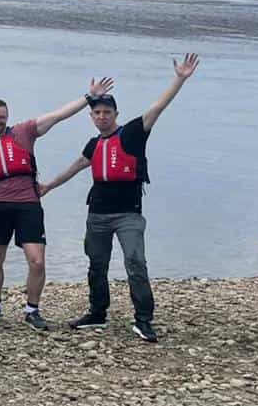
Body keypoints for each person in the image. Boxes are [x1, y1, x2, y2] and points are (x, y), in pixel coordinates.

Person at [39, 54, 201, 343]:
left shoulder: (134, 133)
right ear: (92, 117)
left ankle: (143, 320)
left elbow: (158, 107)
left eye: (106, 113)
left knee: (135, 262)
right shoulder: (94, 144)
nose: (102, 117)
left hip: (128, 215)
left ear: (115, 114)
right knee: (96, 264)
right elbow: (76, 166)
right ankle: (97, 312)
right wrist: (48, 186)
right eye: (97, 113)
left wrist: (180, 78)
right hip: (97, 214)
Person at [0, 77, 114, 331]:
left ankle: (32, 310)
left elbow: (58, 115)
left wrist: (88, 97)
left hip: (28, 206)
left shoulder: (25, 131)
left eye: (1, 117)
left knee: (37, 261)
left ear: (7, 116)